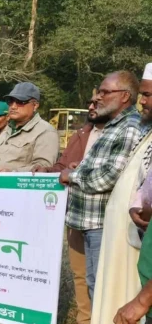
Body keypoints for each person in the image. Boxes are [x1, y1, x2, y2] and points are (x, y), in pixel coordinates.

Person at [88, 63, 152, 324]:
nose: (144, 101)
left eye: (148, 95)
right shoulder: (146, 128)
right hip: (126, 224)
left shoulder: (133, 128)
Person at [61, 71, 145, 304]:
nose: (97, 97)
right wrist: (82, 166)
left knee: (103, 288)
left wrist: (73, 175)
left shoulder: (129, 126)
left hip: (101, 224)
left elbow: (107, 177)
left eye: (104, 92)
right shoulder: (112, 126)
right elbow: (103, 167)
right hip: (88, 222)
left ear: (125, 97)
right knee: (94, 283)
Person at [33, 98, 99, 324]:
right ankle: (85, 321)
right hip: (76, 211)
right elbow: (62, 166)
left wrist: (75, 172)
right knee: (80, 270)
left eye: (99, 100)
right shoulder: (81, 133)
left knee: (99, 274)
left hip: (101, 215)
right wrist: (48, 171)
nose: (92, 106)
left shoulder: (116, 134)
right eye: (91, 101)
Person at [0, 82, 59, 172]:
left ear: (35, 105)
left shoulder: (45, 131)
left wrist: (12, 173)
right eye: (10, 101)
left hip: (19, 185)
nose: (13, 106)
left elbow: (42, 167)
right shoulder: (7, 129)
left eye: (20, 102)